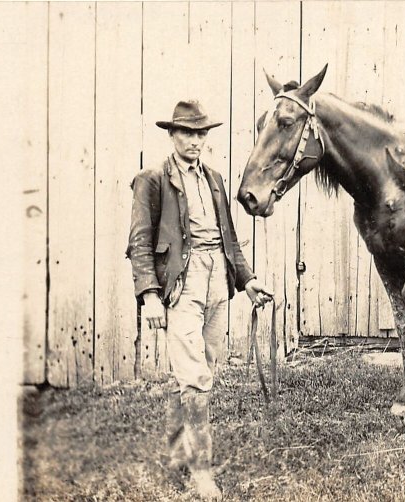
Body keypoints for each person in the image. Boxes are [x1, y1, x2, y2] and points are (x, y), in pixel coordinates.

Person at [127, 100, 272, 500]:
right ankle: (201, 471)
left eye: (200, 133)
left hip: (216, 282)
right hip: (182, 283)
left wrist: (248, 280)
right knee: (195, 377)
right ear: (172, 135)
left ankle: (176, 453)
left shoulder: (215, 178)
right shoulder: (153, 179)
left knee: (201, 367)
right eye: (187, 133)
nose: (195, 141)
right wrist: (150, 295)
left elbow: (228, 237)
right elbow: (139, 242)